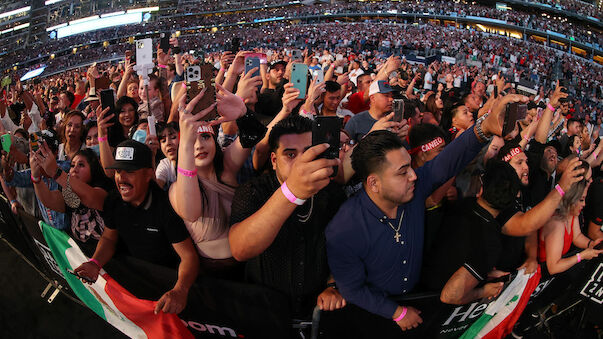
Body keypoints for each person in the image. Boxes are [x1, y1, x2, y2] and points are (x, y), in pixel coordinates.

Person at [325, 94, 525, 335]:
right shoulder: (344, 226)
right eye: (402, 172)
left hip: (418, 304)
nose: (414, 176)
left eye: (410, 166)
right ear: (374, 183)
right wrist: (395, 312)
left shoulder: (413, 192)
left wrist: (483, 128)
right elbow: (352, 288)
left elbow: (446, 162)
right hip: (372, 319)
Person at [228, 115, 347, 317]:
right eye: (290, 155)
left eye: (308, 153)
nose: (302, 162)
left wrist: (333, 284)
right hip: (265, 311)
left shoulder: (332, 193)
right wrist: (291, 192)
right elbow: (240, 249)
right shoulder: (253, 191)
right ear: (274, 161)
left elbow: (344, 246)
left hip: (316, 310)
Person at [73, 139, 199, 315]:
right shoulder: (114, 200)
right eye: (117, 171)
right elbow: (109, 237)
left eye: (130, 171)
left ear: (149, 173)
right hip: (135, 288)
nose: (121, 178)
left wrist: (180, 290)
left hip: (167, 289)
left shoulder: (165, 207)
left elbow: (189, 257)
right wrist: (95, 262)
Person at [169, 84, 253, 271]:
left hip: (250, 266)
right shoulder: (177, 189)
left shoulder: (227, 168)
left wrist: (243, 112)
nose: (199, 146)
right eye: (192, 141)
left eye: (206, 137)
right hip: (212, 275)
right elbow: (190, 213)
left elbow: (253, 135)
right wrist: (185, 142)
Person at [421, 160, 521, 304]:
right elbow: (449, 296)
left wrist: (483, 274)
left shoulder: (464, 205)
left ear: (481, 189)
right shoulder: (491, 242)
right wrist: (483, 291)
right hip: (431, 305)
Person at [31, 146, 112, 256]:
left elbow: (90, 197)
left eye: (81, 165)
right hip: (83, 258)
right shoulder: (69, 193)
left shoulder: (103, 188)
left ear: (93, 169)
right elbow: (49, 200)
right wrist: (36, 177)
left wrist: (56, 172)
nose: (75, 169)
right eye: (72, 165)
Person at [538, 163, 602, 275]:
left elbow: (577, 237)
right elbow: (553, 267)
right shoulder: (556, 223)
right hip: (543, 278)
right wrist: (581, 256)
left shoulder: (571, 213)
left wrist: (591, 244)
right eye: (581, 200)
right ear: (572, 199)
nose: (584, 204)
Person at [155, 122, 179, 190]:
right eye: (163, 141)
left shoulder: (195, 161)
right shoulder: (165, 164)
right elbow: (156, 189)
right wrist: (152, 155)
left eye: (173, 137)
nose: (168, 143)